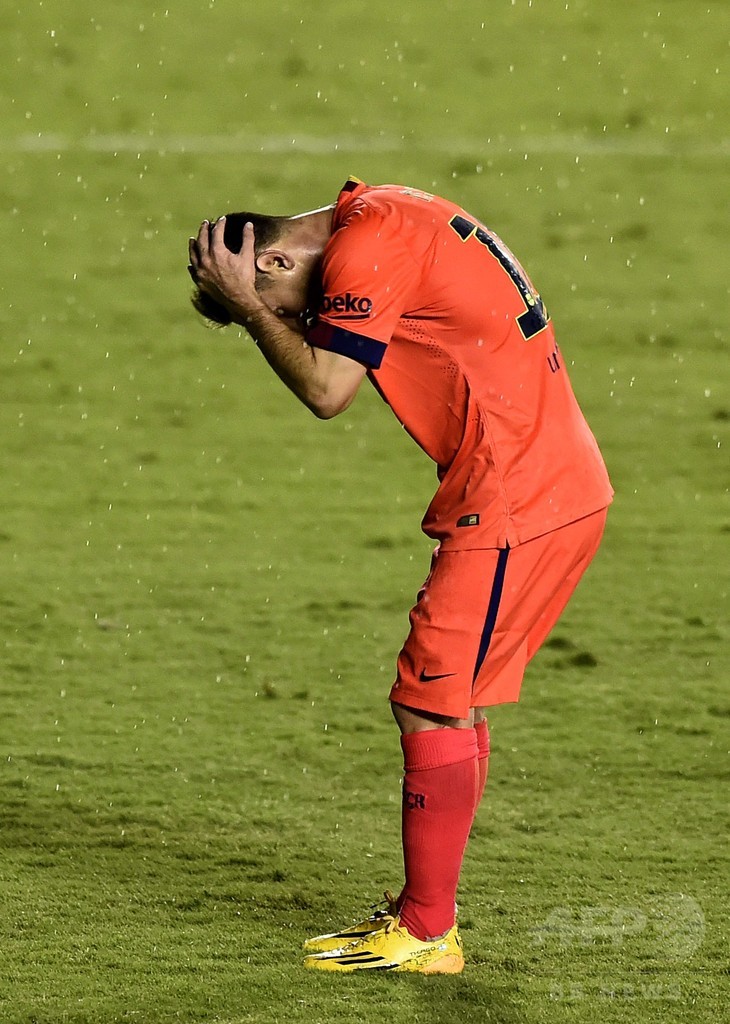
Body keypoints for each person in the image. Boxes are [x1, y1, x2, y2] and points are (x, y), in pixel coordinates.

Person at [187, 177, 613, 974]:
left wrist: (249, 310)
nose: (295, 325)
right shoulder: (385, 209)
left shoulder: (368, 244)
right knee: (451, 700)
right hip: (545, 486)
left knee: (428, 698)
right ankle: (428, 918)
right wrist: (255, 306)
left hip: (517, 500)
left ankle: (426, 931)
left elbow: (327, 389)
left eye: (279, 307)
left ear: (272, 261)